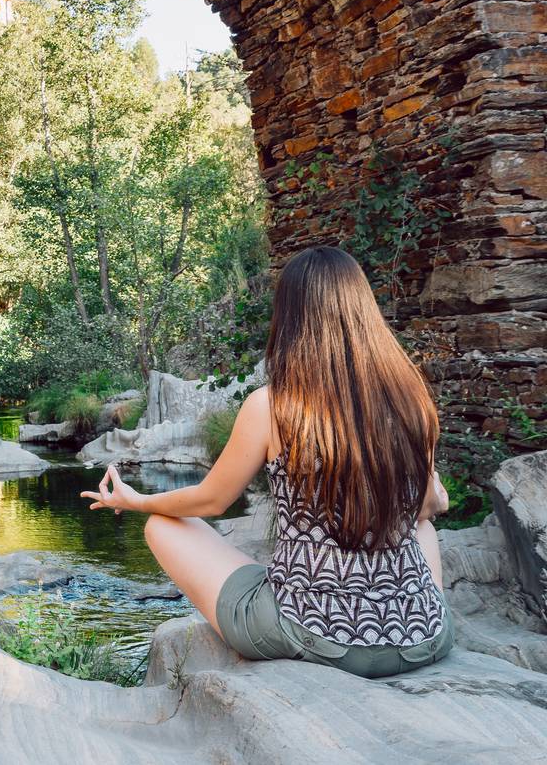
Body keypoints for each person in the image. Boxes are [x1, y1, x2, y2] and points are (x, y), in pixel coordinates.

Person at [81, 246, 453, 678]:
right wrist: (437, 495)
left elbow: (211, 500)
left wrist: (134, 501)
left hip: (310, 632)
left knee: (162, 524)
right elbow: (426, 509)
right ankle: (406, 615)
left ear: (292, 318)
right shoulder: (412, 400)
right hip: (423, 639)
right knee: (422, 527)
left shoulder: (273, 405)